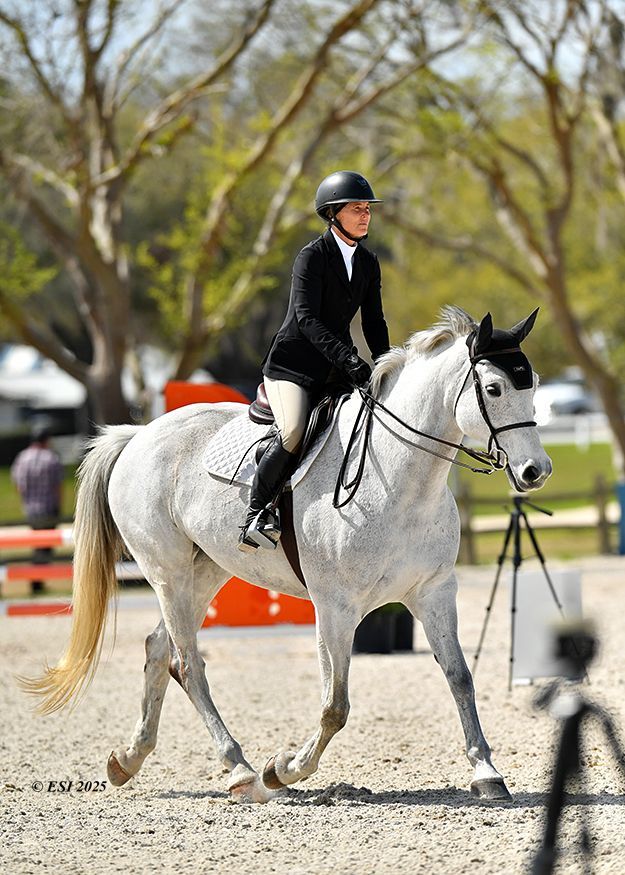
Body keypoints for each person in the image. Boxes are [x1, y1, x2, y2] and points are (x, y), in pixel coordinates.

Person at [238, 170, 391, 553]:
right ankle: (256, 513)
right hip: (292, 366)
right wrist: (351, 359)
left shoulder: (368, 263)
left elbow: (374, 322)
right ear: (332, 214)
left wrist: (389, 364)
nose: (365, 215)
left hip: (334, 370)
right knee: (292, 432)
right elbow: (307, 320)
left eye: (367, 209)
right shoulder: (312, 257)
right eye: (356, 209)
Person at [11, 422, 63, 593]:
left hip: (31, 509)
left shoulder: (22, 457)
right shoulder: (51, 458)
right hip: (48, 508)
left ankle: (36, 580)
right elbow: (57, 486)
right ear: (46, 439)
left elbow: (19, 485)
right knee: (46, 546)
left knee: (36, 545)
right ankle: (37, 580)